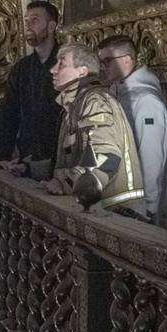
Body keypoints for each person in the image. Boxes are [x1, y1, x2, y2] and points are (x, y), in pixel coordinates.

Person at [39, 43, 147, 220]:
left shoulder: (96, 101)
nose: (53, 70)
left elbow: (106, 158)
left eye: (61, 64)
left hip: (117, 212)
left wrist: (65, 182)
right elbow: (69, 160)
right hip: (101, 210)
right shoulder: (75, 105)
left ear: (82, 71)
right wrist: (28, 168)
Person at [97, 35, 167, 221]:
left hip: (137, 206)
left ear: (127, 60)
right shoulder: (119, 90)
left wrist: (149, 206)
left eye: (106, 61)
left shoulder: (146, 101)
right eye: (100, 62)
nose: (101, 68)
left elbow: (151, 155)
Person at [0, 2, 64, 176]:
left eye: (35, 20)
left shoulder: (68, 65)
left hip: (61, 162)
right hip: (28, 158)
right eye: (26, 21)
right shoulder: (21, 69)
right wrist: (1, 156)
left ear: (52, 26)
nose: (28, 26)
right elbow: (8, 115)